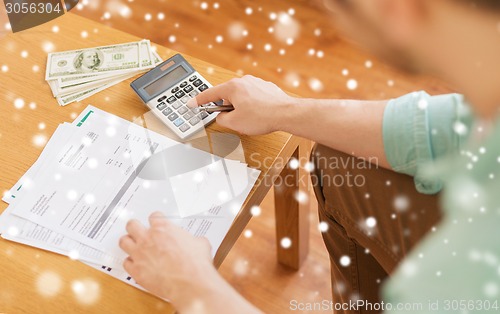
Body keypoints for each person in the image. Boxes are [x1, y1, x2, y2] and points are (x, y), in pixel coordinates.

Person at [119, 0, 500, 313]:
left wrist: (191, 284)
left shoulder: (468, 273)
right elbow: (442, 126)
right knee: (342, 158)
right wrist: (284, 110)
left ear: (397, 10)